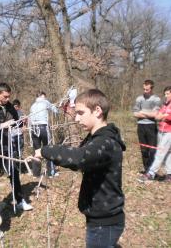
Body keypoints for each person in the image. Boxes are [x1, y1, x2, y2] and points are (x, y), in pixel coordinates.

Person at [35, 89, 126, 248]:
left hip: (104, 222)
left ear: (97, 111)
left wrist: (45, 151)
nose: (76, 118)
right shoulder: (95, 138)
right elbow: (77, 157)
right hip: (100, 217)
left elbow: (79, 158)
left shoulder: (105, 142)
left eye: (80, 113)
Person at [0, 83, 33, 211]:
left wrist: (21, 124)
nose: (7, 99)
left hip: (7, 146)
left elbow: (16, 122)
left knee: (14, 172)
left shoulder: (11, 107)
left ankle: (19, 200)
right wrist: (1, 126)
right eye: (5, 96)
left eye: (9, 97)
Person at [139, 86, 171, 182]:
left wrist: (165, 116)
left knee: (160, 153)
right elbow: (157, 116)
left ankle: (150, 174)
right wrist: (163, 116)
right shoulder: (165, 104)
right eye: (165, 94)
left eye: (168, 94)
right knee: (168, 154)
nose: (166, 96)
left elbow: (168, 117)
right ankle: (170, 175)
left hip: (169, 132)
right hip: (161, 130)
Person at [133, 80, 161, 174]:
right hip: (141, 126)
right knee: (144, 149)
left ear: (151, 89)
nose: (145, 91)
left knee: (152, 149)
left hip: (151, 126)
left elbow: (155, 114)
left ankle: (152, 171)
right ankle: (146, 169)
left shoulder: (156, 99)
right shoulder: (139, 99)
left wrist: (142, 112)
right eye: (144, 89)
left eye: (147, 89)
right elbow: (135, 114)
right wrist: (148, 114)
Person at [29, 91, 59, 178]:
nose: (45, 98)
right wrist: (58, 107)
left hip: (33, 129)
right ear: (42, 96)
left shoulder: (32, 106)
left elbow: (30, 119)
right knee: (48, 149)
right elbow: (55, 110)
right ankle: (51, 173)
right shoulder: (45, 102)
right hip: (43, 128)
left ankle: (36, 173)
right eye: (45, 97)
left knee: (37, 151)